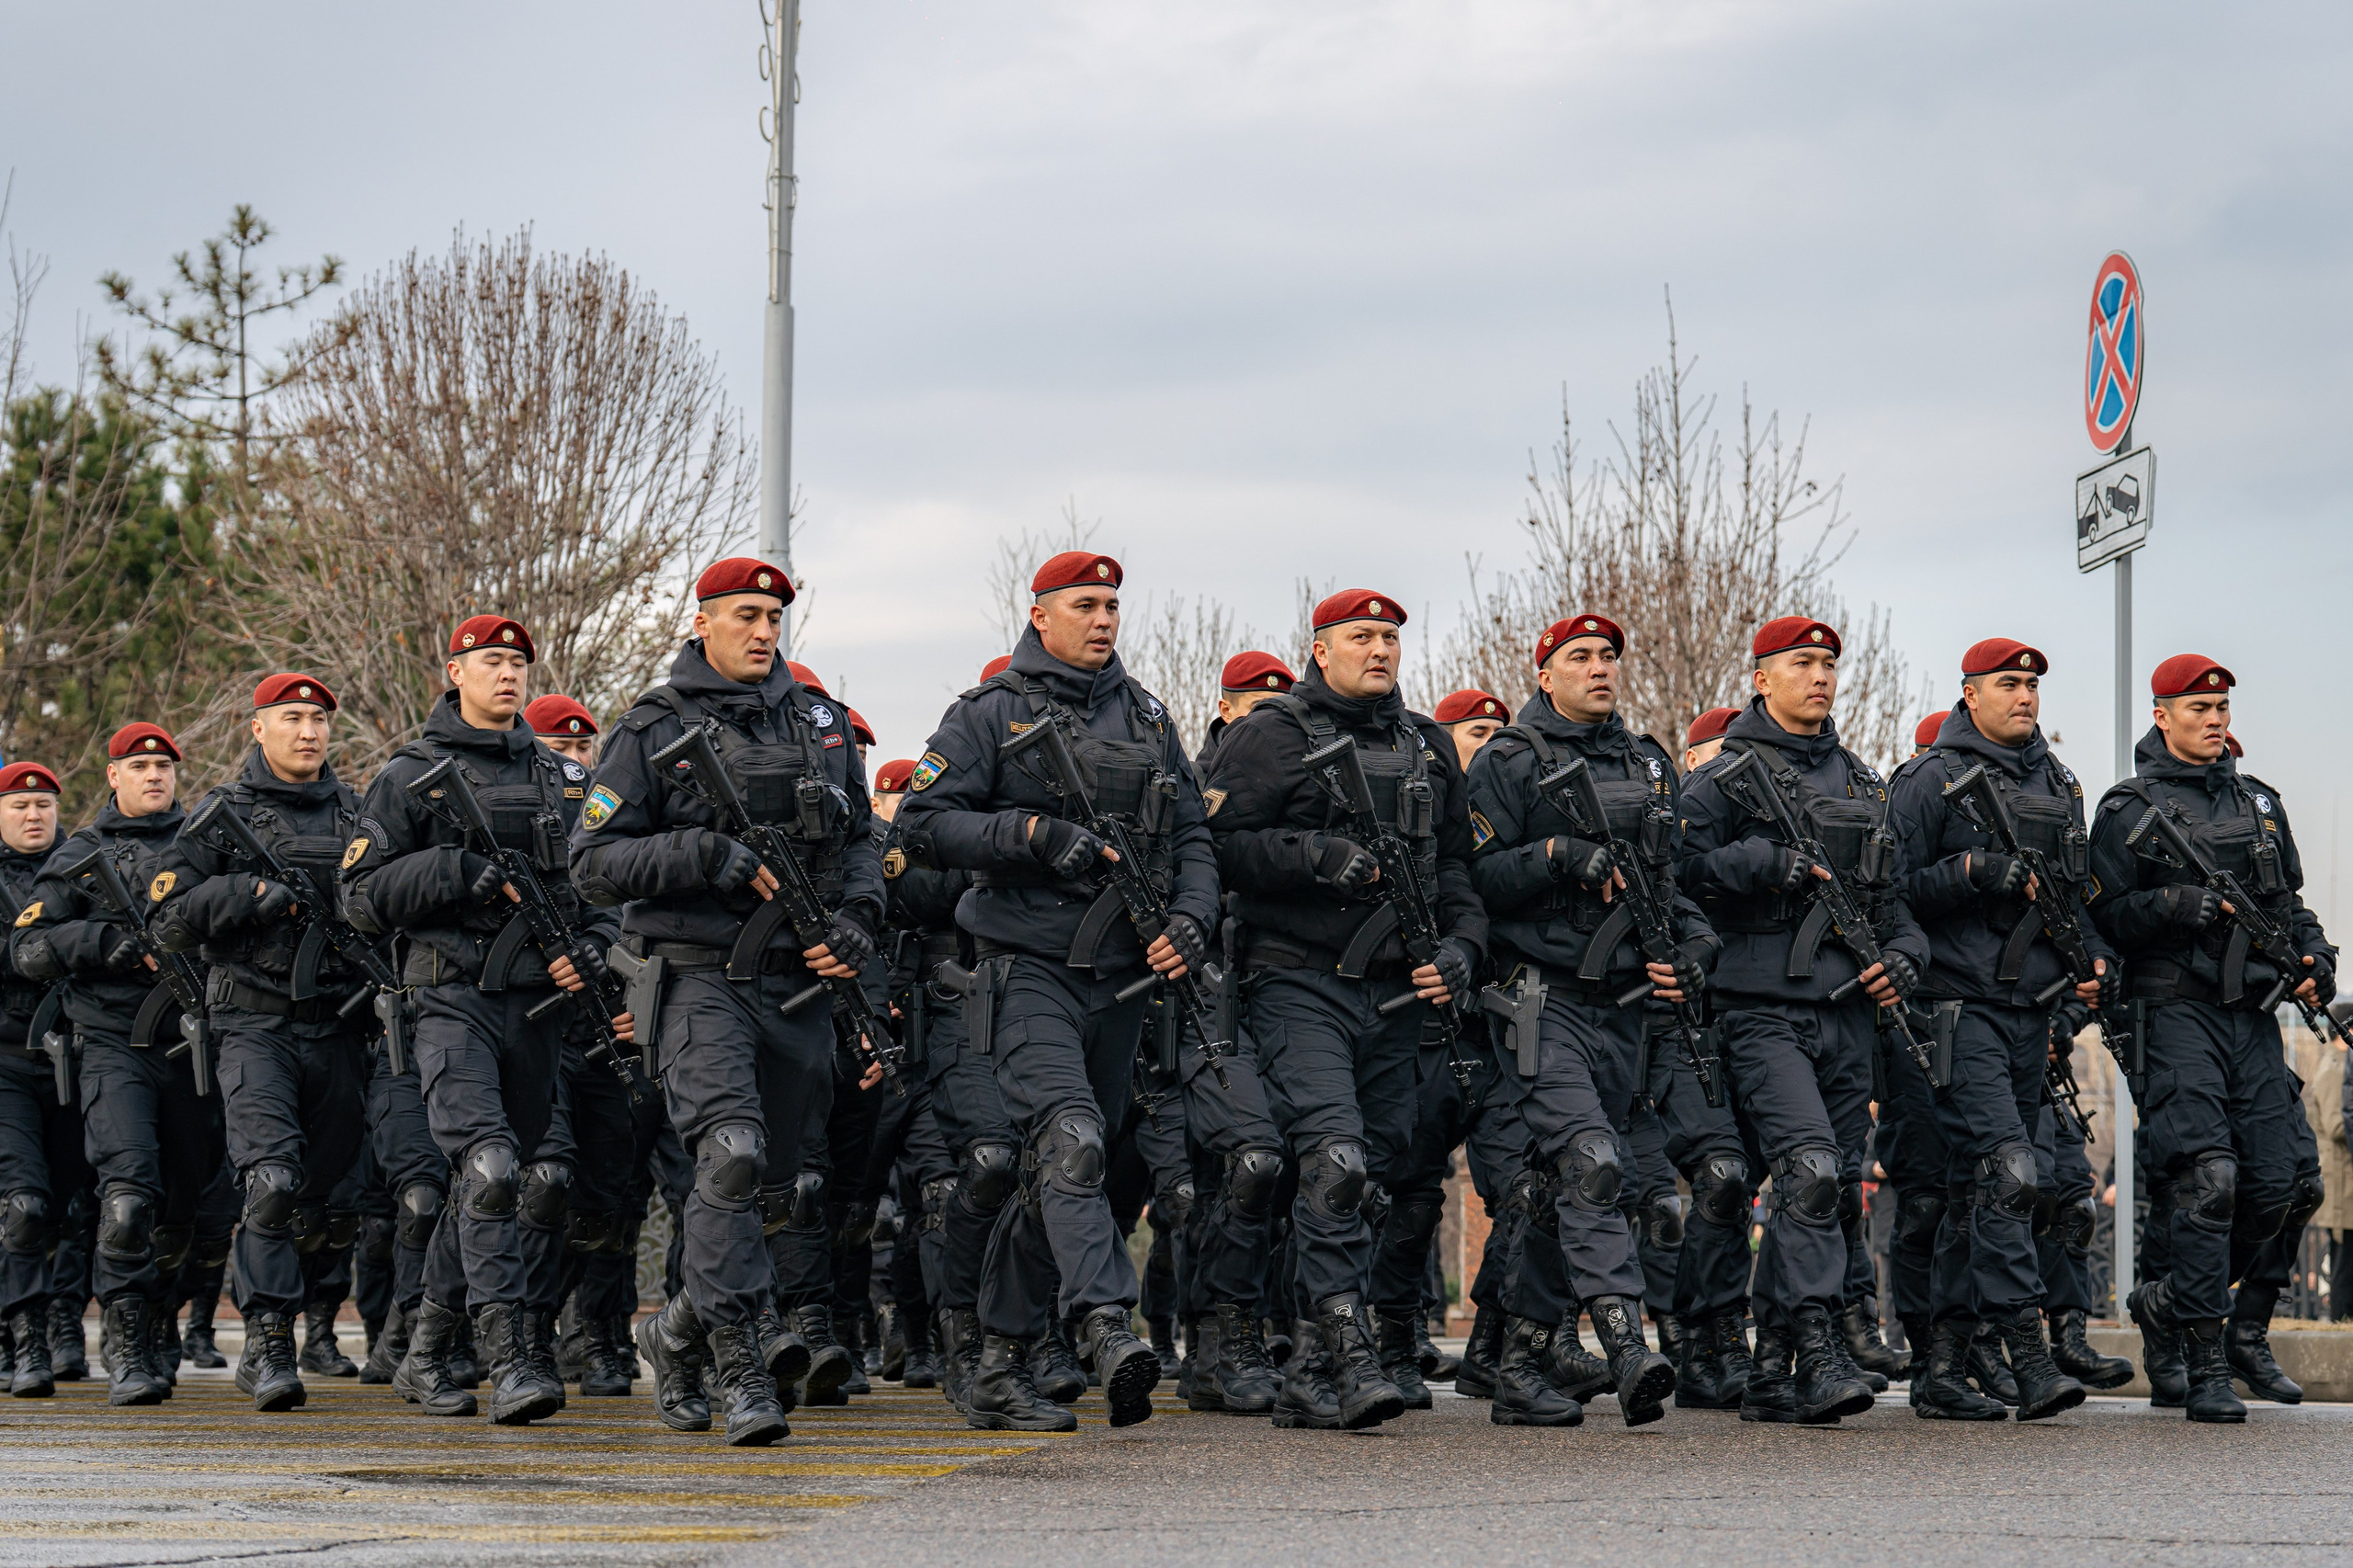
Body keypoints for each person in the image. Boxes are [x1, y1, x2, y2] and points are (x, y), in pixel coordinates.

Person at [571, 560, 881, 1446]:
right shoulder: (651, 727)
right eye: (746, 615)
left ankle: (673, 1333)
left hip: (797, 986)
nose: (763, 632)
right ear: (702, 622)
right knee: (732, 1157)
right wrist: (699, 856)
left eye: (775, 617)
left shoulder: (821, 724)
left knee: (773, 1190)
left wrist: (857, 920)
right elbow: (591, 863)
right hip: (698, 978)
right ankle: (741, 1362)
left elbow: (861, 844)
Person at [898, 551, 1204, 1431]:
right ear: (1041, 616)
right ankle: (1105, 1324)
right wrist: (1029, 832)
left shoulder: (1148, 718)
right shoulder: (987, 714)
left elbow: (1192, 838)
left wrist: (1187, 918)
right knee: (1069, 1141)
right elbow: (923, 824)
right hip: (1024, 969)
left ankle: (997, 1360)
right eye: (1085, 604)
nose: (1104, 618)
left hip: (1121, 979)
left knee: (1061, 1172)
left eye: (1112, 604)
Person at [1203, 588, 1486, 1431]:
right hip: (1298, 983)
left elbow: (1459, 877)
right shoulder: (1271, 736)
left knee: (1385, 1178)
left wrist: (1461, 954)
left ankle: (1314, 1359)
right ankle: (1348, 1348)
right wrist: (1312, 855)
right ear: (1319, 650)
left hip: (1398, 994)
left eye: (1391, 638)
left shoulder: (1426, 745)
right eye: (1361, 637)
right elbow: (1215, 848)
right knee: (1336, 1161)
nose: (1380, 651)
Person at [346, 616, 629, 1427]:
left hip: (536, 1007)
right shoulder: (408, 777)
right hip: (447, 1000)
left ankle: (427, 1344)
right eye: (491, 661)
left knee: (509, 1180)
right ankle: (509, 1358)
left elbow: (601, 889)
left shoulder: (562, 779)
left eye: (516, 663)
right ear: (455, 672)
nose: (507, 675)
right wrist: (457, 872)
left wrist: (591, 949)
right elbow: (360, 898)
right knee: (492, 1167)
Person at [1677, 617, 1927, 1425]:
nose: (1819, 676)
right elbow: (1672, 873)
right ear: (1762, 678)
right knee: (1812, 1171)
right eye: (1801, 663)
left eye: (1827, 663)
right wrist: (1755, 864)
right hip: (1758, 1012)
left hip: (1847, 1013)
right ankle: (1815, 1345)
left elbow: (1898, 905)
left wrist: (1905, 960)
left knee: (1819, 1190)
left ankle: (1774, 1366)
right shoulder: (1725, 778)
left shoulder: (1861, 782)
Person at [1463, 616, 1711, 1426]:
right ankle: (1623, 1338)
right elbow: (1476, 879)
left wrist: (1696, 944)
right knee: (1593, 1162)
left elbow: (1666, 883)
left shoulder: (1646, 761)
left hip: (1625, 1010)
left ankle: (1523, 1361)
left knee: (1557, 1184)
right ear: (1545, 673)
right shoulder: (1509, 760)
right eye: (1581, 656)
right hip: (1540, 1001)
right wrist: (1557, 858)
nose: (1600, 668)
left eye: (1609, 656)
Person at [2088, 654, 2336, 1424]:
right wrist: (2170, 903)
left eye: (2221, 706)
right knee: (2209, 1182)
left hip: (2251, 1016)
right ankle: (2203, 1357)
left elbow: (2289, 903)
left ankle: (2194, 1309)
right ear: (2162, 715)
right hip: (2173, 1016)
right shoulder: (2128, 808)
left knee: (2291, 1182)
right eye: (2198, 707)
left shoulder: (2260, 803)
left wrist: (2315, 957)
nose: (2214, 718)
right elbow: (2102, 919)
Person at [1887, 640, 2104, 1421]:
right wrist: (1970, 874)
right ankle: (2027, 1351)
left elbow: (2079, 896)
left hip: (2030, 1012)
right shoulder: (1926, 781)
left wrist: (2092, 963)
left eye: (2032, 685)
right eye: (2008, 684)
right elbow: (1889, 894)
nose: (2025, 697)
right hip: (1954, 1006)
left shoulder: (2059, 782)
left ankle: (1942, 1368)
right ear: (1969, 695)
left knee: (1972, 1187)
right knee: (2011, 1172)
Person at [152, 675, 377, 1412]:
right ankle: (269, 1339)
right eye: (291, 718)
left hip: (340, 1025)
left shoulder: (358, 812)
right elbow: (169, 923)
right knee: (271, 1181)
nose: (307, 731)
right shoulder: (223, 818)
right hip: (252, 1024)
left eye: (317, 718)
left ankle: (305, 1313)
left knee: (324, 1198)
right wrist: (241, 896)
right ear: (258, 728)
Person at [11, 724, 225, 1406]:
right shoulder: (82, 853)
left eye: (164, 765)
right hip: (111, 1047)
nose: (154, 775)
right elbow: (32, 946)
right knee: (126, 1197)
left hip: (195, 1047)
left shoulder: (206, 843)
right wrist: (107, 942)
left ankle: (159, 1319)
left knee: (182, 1208)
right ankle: (126, 1343)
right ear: (113, 776)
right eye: (140, 765)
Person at [520, 692, 652, 1398]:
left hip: (610, 1030)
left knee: (610, 1199)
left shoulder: (608, 826)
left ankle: (597, 1333)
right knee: (545, 1184)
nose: (573, 762)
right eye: (558, 749)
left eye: (582, 750)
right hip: (536, 1028)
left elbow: (634, 921)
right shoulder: (515, 821)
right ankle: (526, 1332)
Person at [0, 762, 86, 1398]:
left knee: (76, 1207)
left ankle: (63, 1325)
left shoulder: (86, 873)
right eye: (18, 806)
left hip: (79, 1060)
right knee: (25, 1205)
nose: (33, 815)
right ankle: (23, 1332)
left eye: (44, 805)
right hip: (4, 1061)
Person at [1198, 653, 1298, 771]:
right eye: (1259, 708)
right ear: (1226, 711)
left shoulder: (1305, 773)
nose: (1271, 718)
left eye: (1280, 708)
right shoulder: (1195, 784)